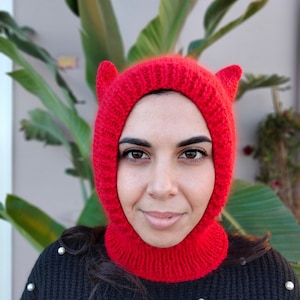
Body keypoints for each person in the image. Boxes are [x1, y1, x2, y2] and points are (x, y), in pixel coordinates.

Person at [21, 55, 299, 299]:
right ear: (108, 166)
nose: (162, 187)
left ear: (220, 168)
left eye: (191, 154)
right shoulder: (58, 274)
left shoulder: (268, 280)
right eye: (136, 154)